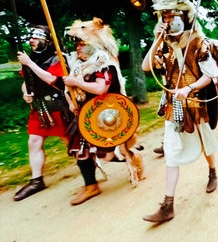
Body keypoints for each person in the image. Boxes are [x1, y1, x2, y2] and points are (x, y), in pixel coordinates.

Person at [141, 0, 218, 223]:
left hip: (195, 102)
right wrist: (156, 39)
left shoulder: (198, 41)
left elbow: (210, 75)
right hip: (173, 106)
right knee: (172, 152)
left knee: (206, 143)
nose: (167, 21)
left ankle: (212, 171)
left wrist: (188, 88)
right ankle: (168, 205)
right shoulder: (163, 44)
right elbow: (147, 67)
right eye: (164, 17)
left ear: (183, 17)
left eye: (171, 17)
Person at [62, 17, 142, 205]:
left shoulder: (103, 63)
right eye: (77, 45)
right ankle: (91, 185)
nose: (78, 48)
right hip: (83, 114)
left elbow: (100, 89)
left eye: (82, 44)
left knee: (106, 154)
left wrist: (76, 82)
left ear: (92, 45)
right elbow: (70, 90)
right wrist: (70, 101)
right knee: (81, 151)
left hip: (106, 114)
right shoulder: (78, 65)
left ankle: (132, 157)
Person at [14, 25, 71, 201]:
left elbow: (52, 79)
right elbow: (27, 81)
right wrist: (26, 92)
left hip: (58, 106)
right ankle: (36, 180)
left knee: (72, 143)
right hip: (39, 108)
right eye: (31, 38)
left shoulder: (57, 58)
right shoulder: (30, 59)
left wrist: (29, 63)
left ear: (46, 40)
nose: (31, 41)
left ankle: (103, 157)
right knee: (34, 141)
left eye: (36, 38)